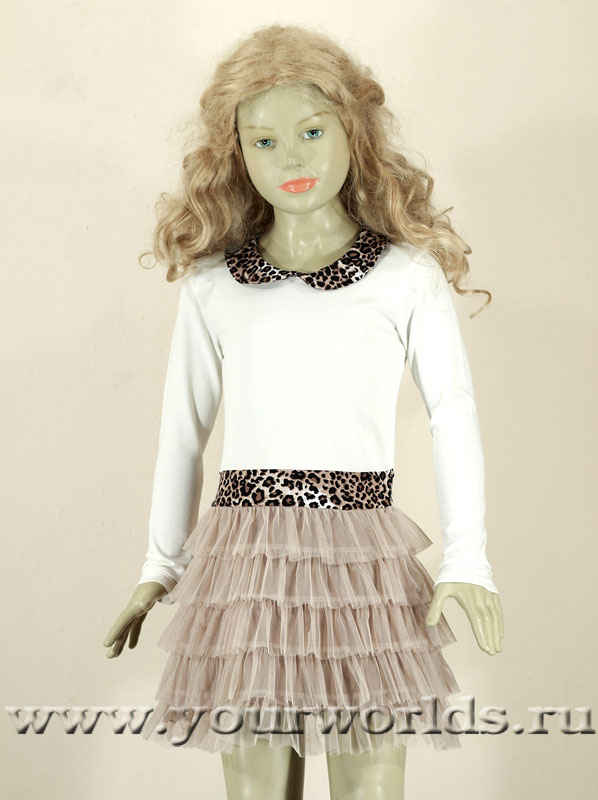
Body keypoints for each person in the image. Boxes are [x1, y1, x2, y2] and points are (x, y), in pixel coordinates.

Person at [103, 23, 503, 800]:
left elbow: (453, 413)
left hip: (362, 561)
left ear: (354, 131)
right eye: (264, 141)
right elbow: (183, 436)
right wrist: (160, 566)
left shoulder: (404, 276)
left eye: (312, 131)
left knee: (370, 788)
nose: (290, 157)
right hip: (246, 567)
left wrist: (468, 560)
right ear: (236, 152)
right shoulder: (215, 284)